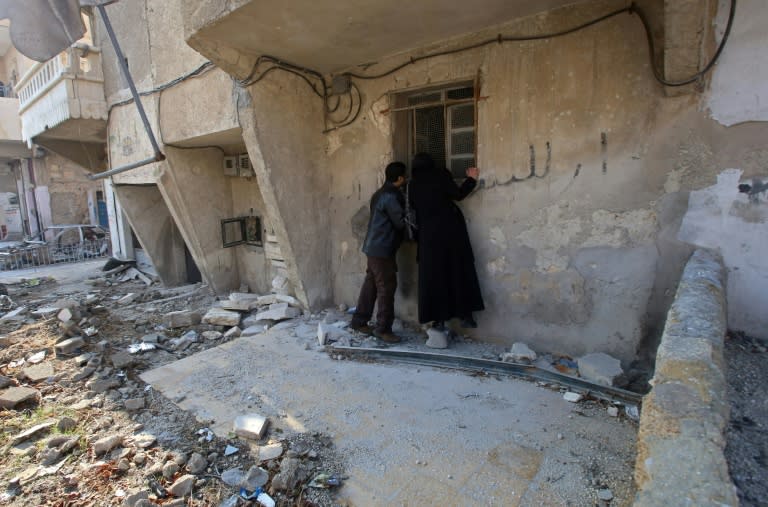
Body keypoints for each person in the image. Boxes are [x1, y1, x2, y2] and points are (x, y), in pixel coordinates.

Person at [409, 152, 484, 329]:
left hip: (428, 236)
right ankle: (466, 316)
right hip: (451, 232)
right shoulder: (440, 175)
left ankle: (439, 320)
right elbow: (457, 194)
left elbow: (413, 207)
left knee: (434, 276)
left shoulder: (412, 184)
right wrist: (471, 179)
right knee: (458, 271)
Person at [349, 162, 407, 343]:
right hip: (383, 249)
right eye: (404, 176)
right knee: (386, 287)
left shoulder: (379, 193)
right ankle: (383, 329)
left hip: (373, 247)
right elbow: (400, 222)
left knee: (372, 284)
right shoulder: (391, 196)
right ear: (399, 178)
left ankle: (359, 321)